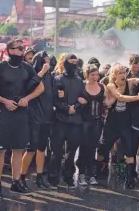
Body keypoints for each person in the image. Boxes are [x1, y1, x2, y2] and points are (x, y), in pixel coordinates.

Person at [0, 39, 45, 197]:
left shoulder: (27, 67)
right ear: (10, 50)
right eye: (18, 49)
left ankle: (16, 182)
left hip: (21, 113)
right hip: (3, 112)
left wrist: (28, 99)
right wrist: (4, 101)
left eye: (23, 49)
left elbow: (41, 87)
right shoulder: (1, 67)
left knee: (18, 149)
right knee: (0, 151)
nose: (21, 51)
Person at [97, 64, 139, 189]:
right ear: (114, 75)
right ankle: (100, 168)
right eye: (120, 73)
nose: (123, 75)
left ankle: (130, 178)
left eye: (124, 72)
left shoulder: (129, 83)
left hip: (125, 124)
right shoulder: (111, 85)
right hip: (112, 124)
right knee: (103, 148)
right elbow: (120, 97)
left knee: (129, 151)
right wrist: (137, 97)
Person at [20, 51, 56, 191]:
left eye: (48, 60)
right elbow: (29, 87)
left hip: (47, 116)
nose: (47, 62)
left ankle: (40, 177)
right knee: (31, 148)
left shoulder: (50, 76)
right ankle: (21, 176)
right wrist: (42, 71)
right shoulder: (32, 73)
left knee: (42, 148)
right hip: (34, 116)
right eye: (44, 60)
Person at [50, 54, 85, 188]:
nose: (74, 65)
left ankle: (68, 177)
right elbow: (55, 99)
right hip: (60, 120)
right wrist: (66, 109)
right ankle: (53, 178)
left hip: (75, 121)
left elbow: (83, 99)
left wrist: (75, 108)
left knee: (71, 153)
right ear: (65, 63)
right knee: (57, 152)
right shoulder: (58, 79)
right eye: (71, 62)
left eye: (76, 62)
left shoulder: (80, 81)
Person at [77, 64, 115, 186]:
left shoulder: (101, 86)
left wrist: (117, 93)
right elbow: (72, 97)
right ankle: (81, 175)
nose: (95, 77)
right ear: (87, 75)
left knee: (93, 147)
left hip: (97, 121)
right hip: (83, 122)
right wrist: (78, 100)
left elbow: (107, 103)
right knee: (84, 147)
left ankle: (91, 175)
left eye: (97, 74)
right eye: (92, 74)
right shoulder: (81, 85)